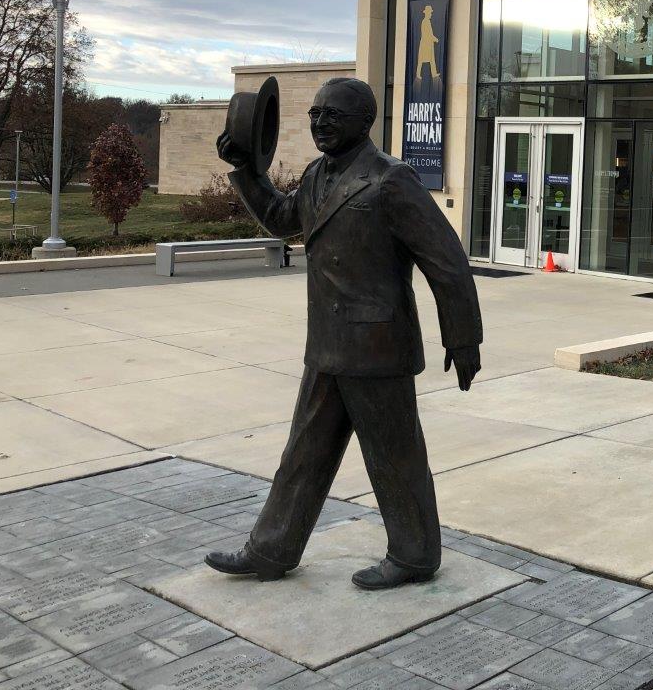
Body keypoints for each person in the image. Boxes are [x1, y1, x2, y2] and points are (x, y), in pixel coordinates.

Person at [206, 76, 482, 589]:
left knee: (395, 458)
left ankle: (415, 555)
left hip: (378, 348)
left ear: (364, 122)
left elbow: (446, 262)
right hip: (328, 346)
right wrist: (245, 170)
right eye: (314, 114)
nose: (319, 123)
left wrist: (462, 337)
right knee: (302, 455)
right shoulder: (316, 176)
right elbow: (279, 217)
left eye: (332, 115)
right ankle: (271, 550)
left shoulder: (390, 179)